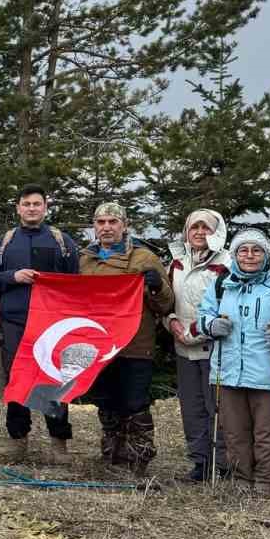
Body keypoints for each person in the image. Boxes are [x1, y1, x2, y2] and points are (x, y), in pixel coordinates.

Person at [0, 185, 81, 462]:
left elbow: (76, 283)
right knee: (18, 381)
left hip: (52, 325)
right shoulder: (5, 242)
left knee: (54, 382)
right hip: (15, 322)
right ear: (18, 208)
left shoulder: (63, 241)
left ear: (46, 207)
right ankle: (17, 439)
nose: (32, 208)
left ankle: (59, 441)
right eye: (27, 204)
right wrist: (13, 276)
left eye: (37, 204)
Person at [77, 202, 174, 477]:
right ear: (94, 227)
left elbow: (166, 305)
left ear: (124, 225)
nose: (106, 227)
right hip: (100, 347)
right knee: (106, 401)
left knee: (134, 402)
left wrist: (155, 287)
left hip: (135, 345)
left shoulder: (144, 259)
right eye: (101, 222)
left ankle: (139, 456)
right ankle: (112, 454)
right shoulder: (85, 261)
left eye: (112, 222)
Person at [197, 229, 270, 498]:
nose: (249, 256)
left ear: (267, 254)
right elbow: (203, 314)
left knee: (267, 433)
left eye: (256, 250)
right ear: (235, 254)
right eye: (243, 250)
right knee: (234, 433)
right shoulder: (221, 282)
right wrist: (211, 325)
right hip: (228, 371)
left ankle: (266, 485)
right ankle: (242, 480)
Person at [162, 209, 230, 483]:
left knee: (220, 407)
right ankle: (201, 463)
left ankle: (224, 465)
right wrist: (172, 323)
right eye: (194, 227)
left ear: (218, 232)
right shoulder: (176, 262)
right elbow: (166, 303)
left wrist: (196, 332)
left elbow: (228, 309)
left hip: (215, 348)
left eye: (207, 228)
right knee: (192, 408)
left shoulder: (228, 263)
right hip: (183, 348)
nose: (200, 232)